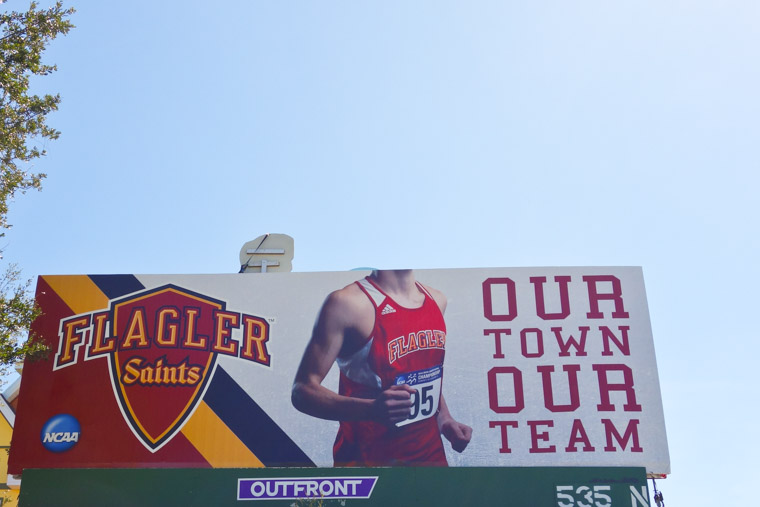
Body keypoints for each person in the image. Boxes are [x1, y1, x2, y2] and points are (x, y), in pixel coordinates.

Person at [292, 269, 472, 466]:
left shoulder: (437, 300)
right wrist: (371, 410)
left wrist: (444, 418)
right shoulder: (346, 304)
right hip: (369, 464)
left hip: (430, 459)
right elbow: (303, 391)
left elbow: (423, 372)